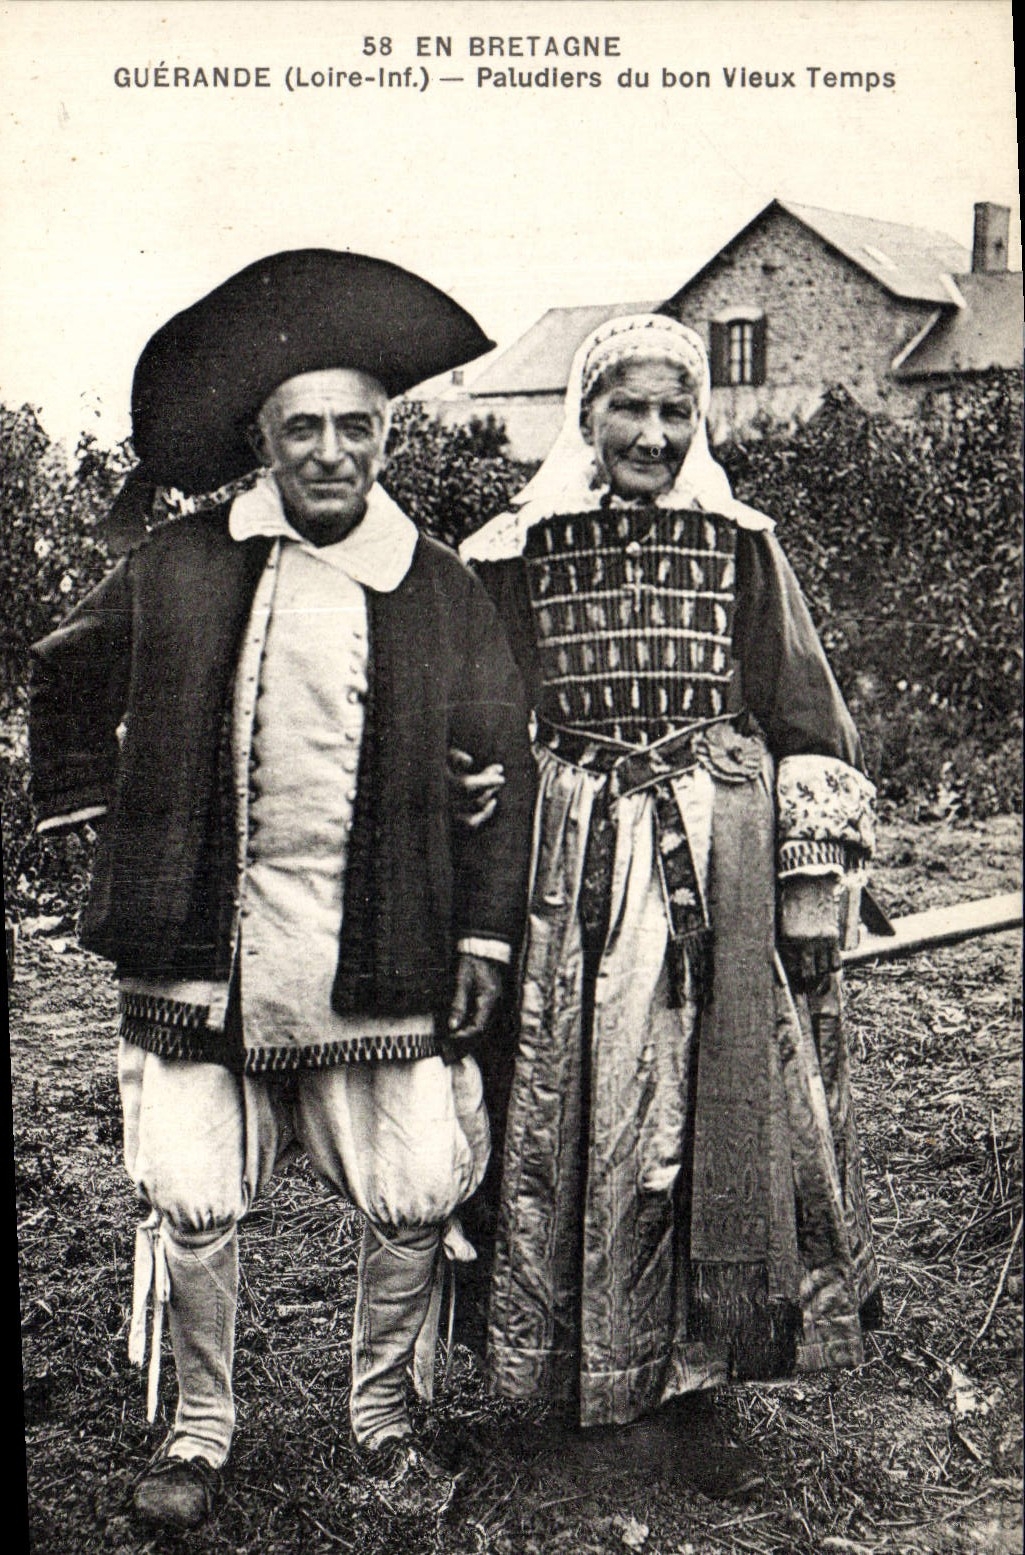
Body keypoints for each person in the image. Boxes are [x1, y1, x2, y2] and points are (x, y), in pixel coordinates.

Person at [28, 250, 535, 1530]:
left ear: (384, 434)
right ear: (262, 441)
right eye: (300, 428)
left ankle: (381, 1416)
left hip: (379, 941)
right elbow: (66, 666)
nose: (329, 452)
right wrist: (105, 813)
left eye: (353, 426)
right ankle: (197, 1432)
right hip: (201, 943)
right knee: (193, 1197)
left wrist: (478, 925)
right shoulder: (184, 561)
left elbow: (499, 758)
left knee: (419, 1182)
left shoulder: (435, 583)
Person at [459, 314, 881, 1495]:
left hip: (714, 862)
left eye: (674, 412)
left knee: (712, 1117)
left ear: (698, 422)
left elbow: (808, 720)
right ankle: (578, 1392)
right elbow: (474, 718)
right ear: (582, 414)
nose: (650, 433)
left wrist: (805, 883)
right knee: (575, 1114)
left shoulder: (741, 545)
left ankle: (697, 1384)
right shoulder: (511, 550)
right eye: (626, 408)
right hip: (566, 872)